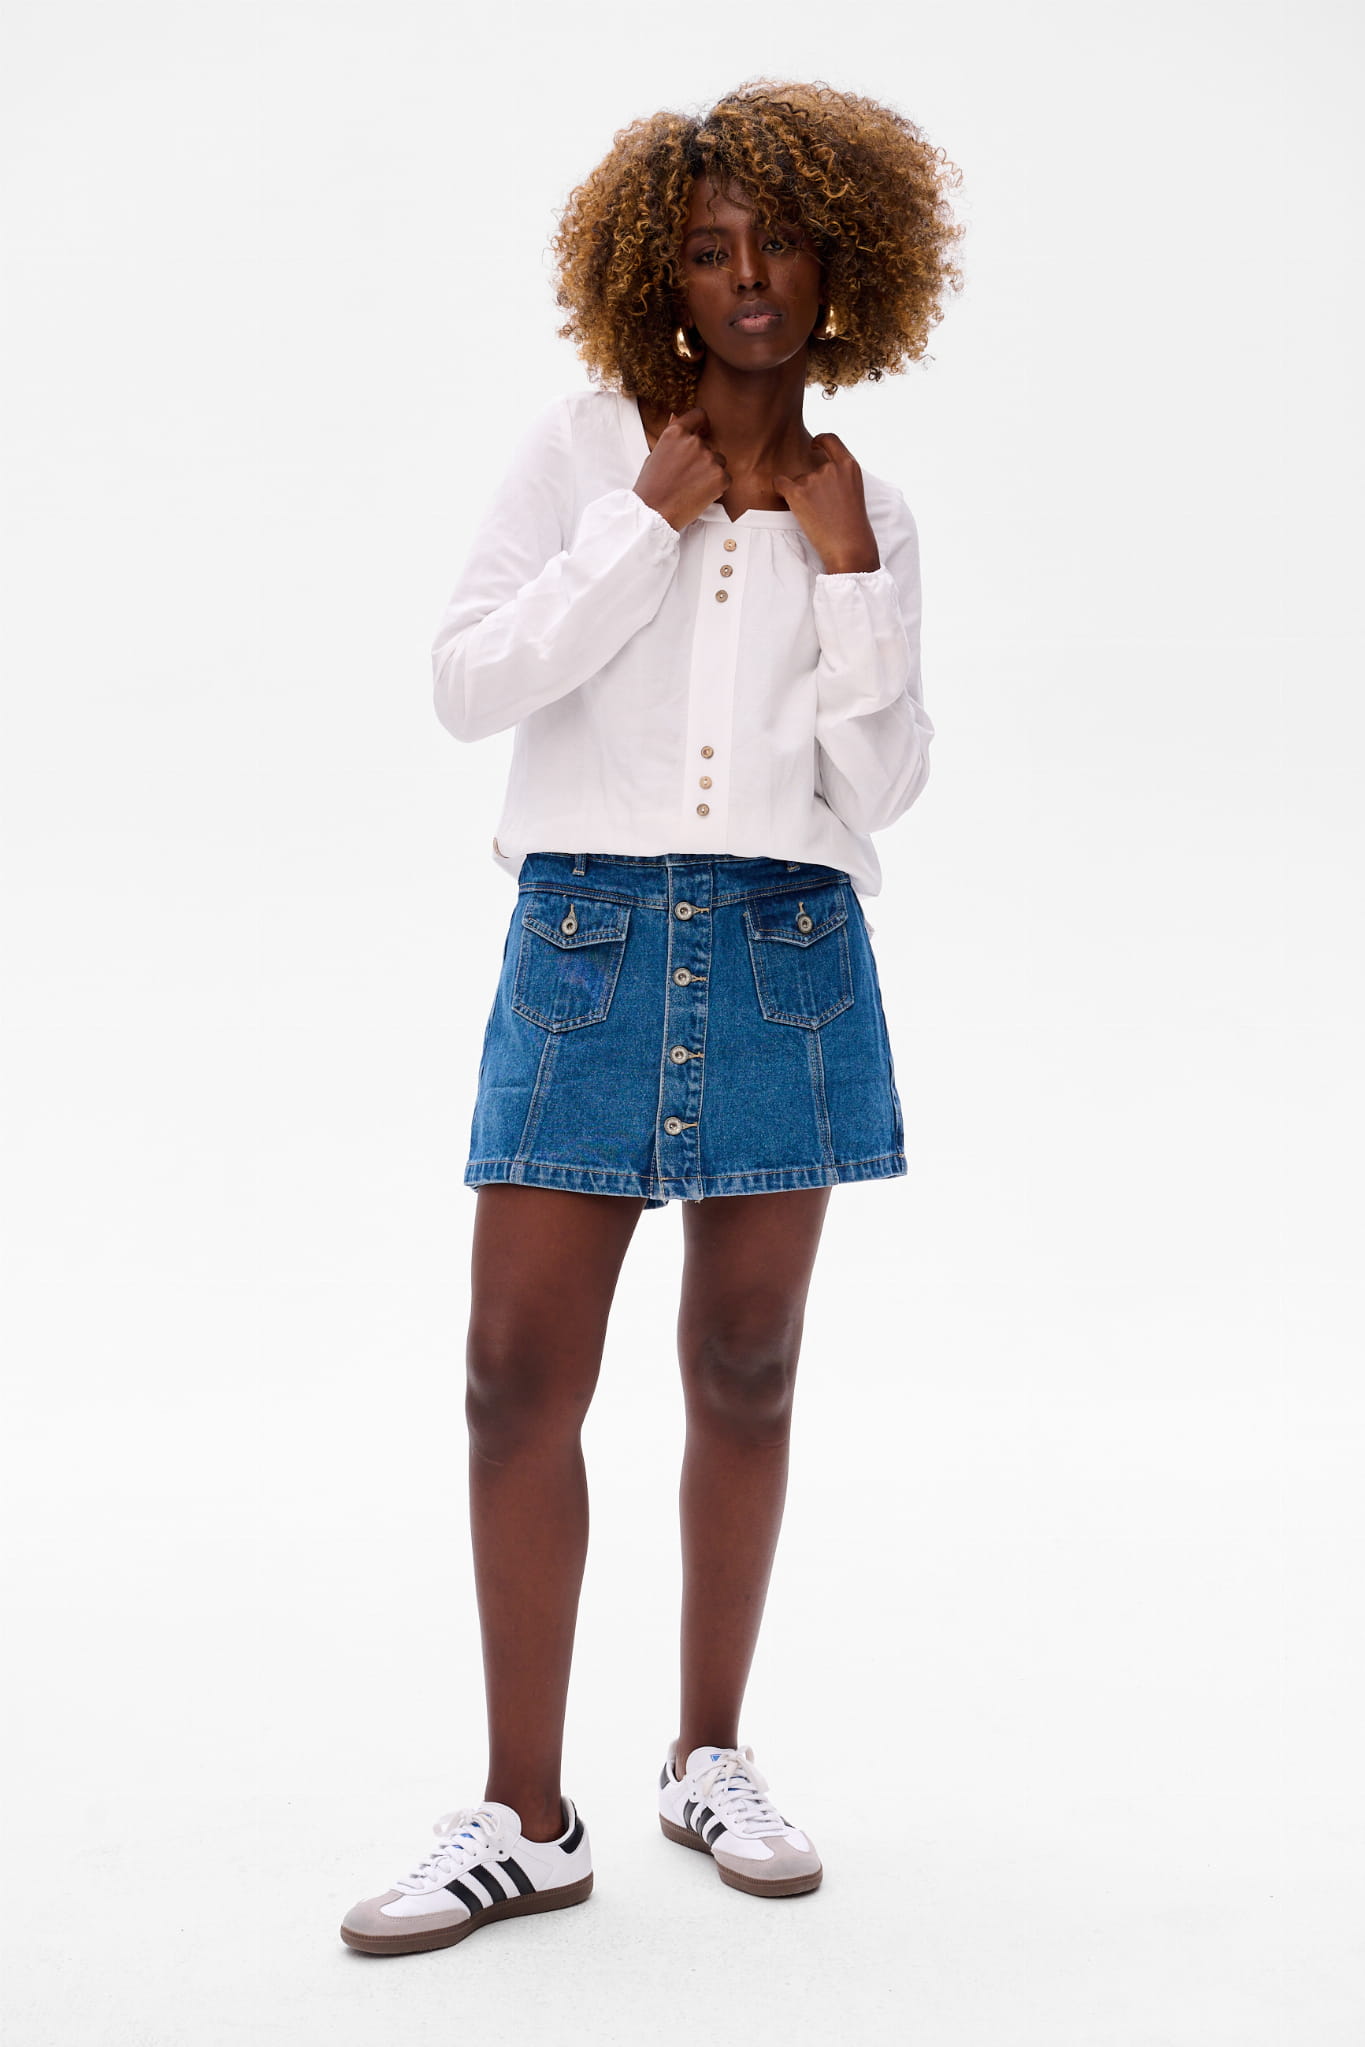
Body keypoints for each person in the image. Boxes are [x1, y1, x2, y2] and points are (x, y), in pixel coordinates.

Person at [340, 77, 965, 1957]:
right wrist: (638, 522)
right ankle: (525, 1818)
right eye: (707, 249)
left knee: (747, 1368)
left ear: (845, 269)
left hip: (783, 946)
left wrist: (843, 572)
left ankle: (709, 1758)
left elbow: (884, 786)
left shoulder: (868, 507)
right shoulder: (577, 452)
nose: (746, 278)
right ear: (657, 274)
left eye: (780, 245)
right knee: (512, 1376)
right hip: (589, 944)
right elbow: (468, 683)